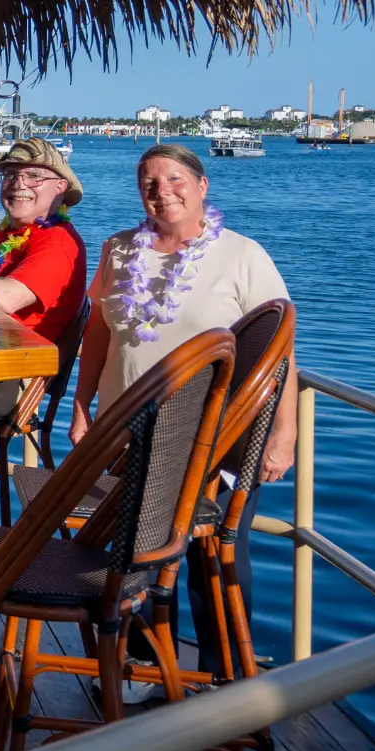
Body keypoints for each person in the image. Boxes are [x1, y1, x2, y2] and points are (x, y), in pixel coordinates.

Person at [72, 142, 296, 699]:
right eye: (148, 181)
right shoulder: (119, 249)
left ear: (202, 187)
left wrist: (283, 434)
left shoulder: (243, 255)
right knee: (131, 550)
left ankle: (228, 675)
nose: (161, 191)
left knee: (212, 554)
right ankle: (142, 668)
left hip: (213, 437)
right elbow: (99, 335)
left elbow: (281, 353)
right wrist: (82, 409)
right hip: (126, 434)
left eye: (174, 179)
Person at [0, 137, 89, 417]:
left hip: (5, 377)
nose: (19, 184)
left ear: (60, 187)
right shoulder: (6, 236)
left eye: (34, 176)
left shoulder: (58, 242)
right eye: (10, 174)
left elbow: (3, 299)